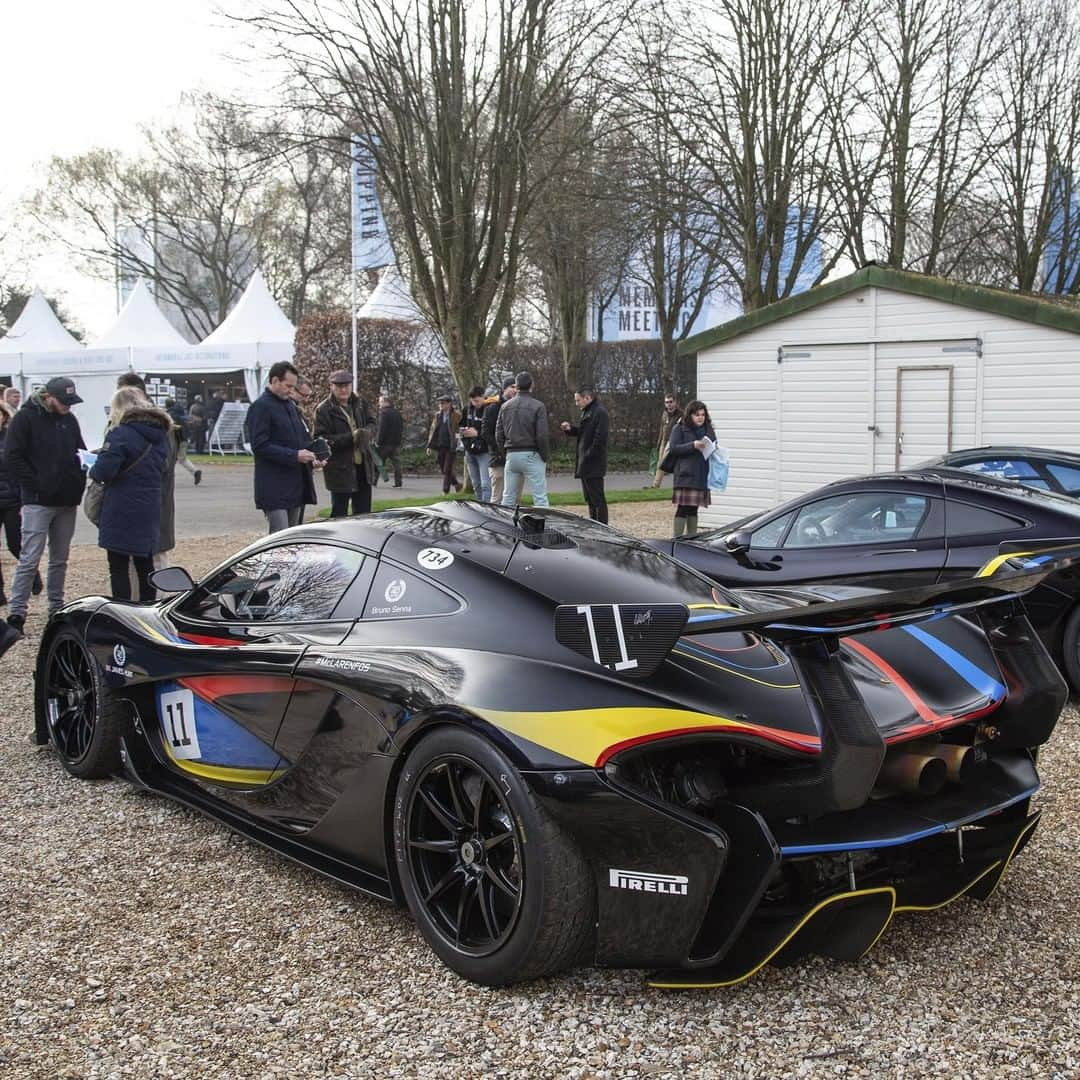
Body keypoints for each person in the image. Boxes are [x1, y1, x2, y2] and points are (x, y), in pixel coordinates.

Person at [0, 377, 87, 657]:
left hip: (66, 498)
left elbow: (79, 450)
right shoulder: (25, 419)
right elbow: (13, 457)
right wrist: (34, 485)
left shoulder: (69, 420)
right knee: (30, 556)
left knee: (60, 558)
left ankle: (56, 608)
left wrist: (80, 473)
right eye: (63, 402)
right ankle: (17, 613)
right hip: (39, 500)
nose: (66, 407)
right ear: (48, 397)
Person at [90, 388, 170, 602]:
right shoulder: (160, 435)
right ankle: (147, 609)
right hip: (149, 504)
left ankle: (122, 612)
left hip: (121, 505)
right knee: (146, 565)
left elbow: (103, 472)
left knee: (118, 566)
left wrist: (95, 464)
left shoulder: (120, 433)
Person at [247, 362, 318, 533]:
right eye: (288, 386)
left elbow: (299, 439)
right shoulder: (261, 407)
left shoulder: (290, 406)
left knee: (292, 536)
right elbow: (259, 445)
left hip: (295, 484)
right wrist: (294, 455)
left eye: (293, 387)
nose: (291, 390)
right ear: (275, 381)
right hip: (274, 486)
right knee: (280, 537)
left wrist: (312, 458)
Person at [313, 371, 377, 518]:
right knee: (339, 514)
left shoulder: (360, 403)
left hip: (363, 467)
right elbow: (320, 440)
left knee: (363, 514)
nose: (343, 389)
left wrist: (367, 432)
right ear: (331, 387)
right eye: (339, 386)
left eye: (347, 385)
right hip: (339, 470)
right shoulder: (323, 410)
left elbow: (372, 422)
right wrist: (351, 438)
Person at [0, 402, 40, 606]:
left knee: (16, 543)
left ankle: (32, 574)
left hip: (12, 498)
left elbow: (20, 464)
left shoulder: (11, 437)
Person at [496, 371, 549, 508]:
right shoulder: (538, 406)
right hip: (531, 453)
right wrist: (544, 455)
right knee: (540, 497)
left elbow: (499, 434)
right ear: (531, 385)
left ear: (516, 386)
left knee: (507, 498)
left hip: (511, 454)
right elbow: (542, 435)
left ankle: (504, 527)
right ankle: (542, 527)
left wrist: (505, 452)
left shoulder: (505, 406)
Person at [668, 399, 717, 538]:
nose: (700, 417)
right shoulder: (680, 427)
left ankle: (691, 540)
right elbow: (673, 449)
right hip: (685, 474)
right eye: (697, 415)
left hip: (701, 473)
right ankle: (676, 540)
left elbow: (713, 444)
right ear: (689, 415)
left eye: (702, 414)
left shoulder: (709, 428)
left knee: (694, 509)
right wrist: (693, 445)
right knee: (682, 508)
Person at [560, 387, 610, 524]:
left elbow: (599, 439)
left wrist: (587, 455)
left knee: (597, 498)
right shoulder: (588, 412)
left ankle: (602, 527)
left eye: (578, 400)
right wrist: (570, 429)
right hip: (586, 462)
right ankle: (594, 524)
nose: (577, 403)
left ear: (587, 398)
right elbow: (584, 433)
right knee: (590, 498)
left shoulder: (599, 413)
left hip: (593, 463)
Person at [483, 377, 516, 505]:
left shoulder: (518, 406)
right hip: (497, 456)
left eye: (517, 387)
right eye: (512, 387)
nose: (515, 390)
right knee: (497, 496)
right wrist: (500, 448)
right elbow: (486, 432)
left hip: (513, 455)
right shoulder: (493, 407)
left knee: (513, 496)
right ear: (504, 388)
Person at [461, 386, 493, 502]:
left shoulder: (489, 409)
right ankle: (480, 505)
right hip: (470, 451)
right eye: (472, 401)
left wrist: (477, 433)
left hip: (484, 452)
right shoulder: (467, 409)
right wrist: (464, 434)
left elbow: (492, 430)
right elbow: (461, 426)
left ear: (483, 397)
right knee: (476, 484)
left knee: (486, 484)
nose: (475, 404)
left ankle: (487, 507)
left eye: (477, 401)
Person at [427, 393, 462, 494]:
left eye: (443, 403)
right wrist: (429, 446)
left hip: (451, 446)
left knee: (447, 469)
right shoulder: (438, 415)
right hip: (440, 445)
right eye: (440, 404)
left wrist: (458, 442)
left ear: (449, 404)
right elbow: (433, 430)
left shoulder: (456, 415)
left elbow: (459, 430)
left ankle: (445, 490)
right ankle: (456, 484)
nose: (441, 405)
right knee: (443, 469)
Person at [165, 397, 202, 486]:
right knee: (182, 458)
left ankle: (168, 478)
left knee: (170, 458)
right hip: (184, 439)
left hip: (174, 439)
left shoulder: (170, 414)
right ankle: (195, 471)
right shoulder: (181, 413)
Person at [651, 394, 682, 488]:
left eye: (671, 402)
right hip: (664, 441)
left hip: (673, 441)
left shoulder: (680, 414)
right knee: (660, 463)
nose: (669, 404)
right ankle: (655, 485)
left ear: (675, 402)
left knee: (673, 465)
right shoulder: (664, 414)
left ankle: (679, 484)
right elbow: (662, 428)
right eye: (667, 402)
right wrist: (659, 442)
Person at [376, 394, 404, 488]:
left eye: (380, 401)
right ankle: (398, 483)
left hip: (385, 444)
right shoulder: (397, 413)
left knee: (379, 462)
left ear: (386, 402)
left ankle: (373, 481)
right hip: (395, 443)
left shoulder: (384, 413)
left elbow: (382, 429)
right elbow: (401, 428)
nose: (379, 403)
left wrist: (378, 442)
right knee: (396, 464)